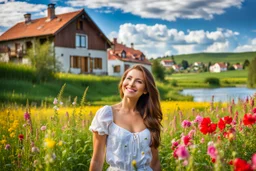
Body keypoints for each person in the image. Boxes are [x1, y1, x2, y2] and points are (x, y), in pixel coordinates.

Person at [89, 64, 163, 171]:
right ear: (123, 82)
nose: (131, 84)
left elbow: (155, 163)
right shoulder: (106, 115)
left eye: (139, 81)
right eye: (129, 78)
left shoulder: (150, 117)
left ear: (146, 90)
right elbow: (97, 160)